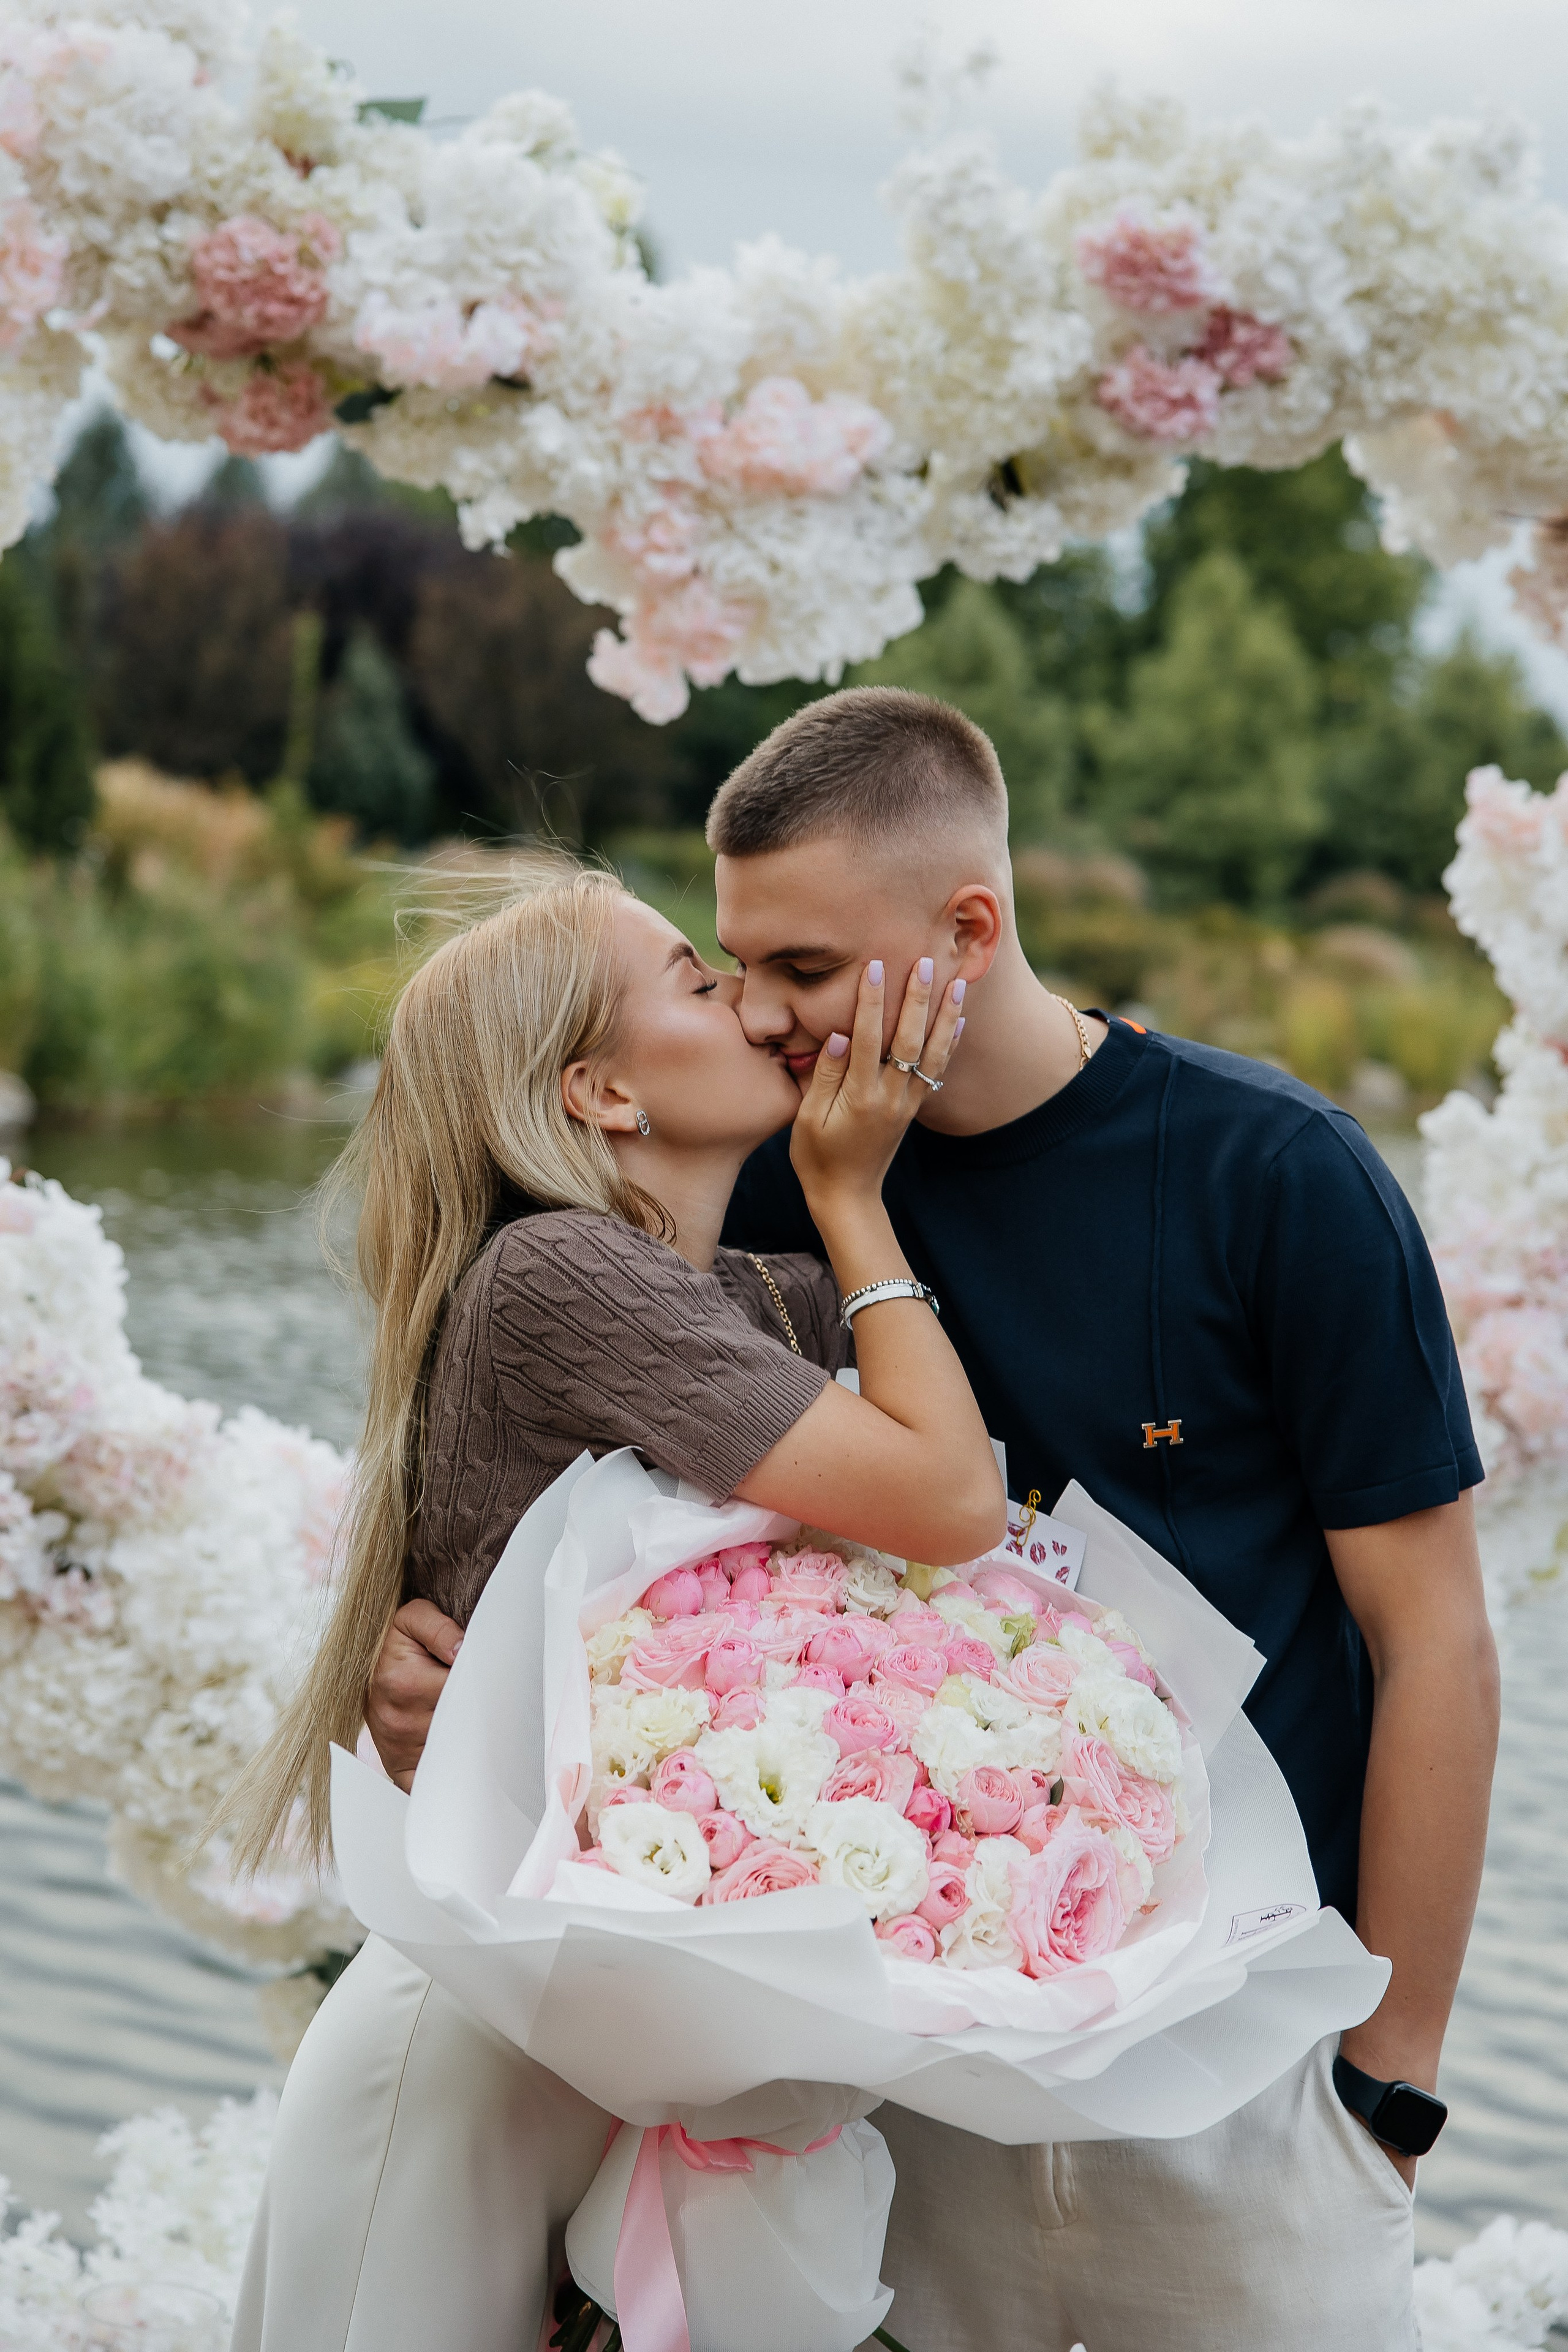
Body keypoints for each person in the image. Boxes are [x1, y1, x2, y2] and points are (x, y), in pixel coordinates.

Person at [371, 690, 1501, 2352]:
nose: (760, 1015)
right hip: (879, 2119)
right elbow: (578, 1548)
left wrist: (1388, 2090)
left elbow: (1439, 1645)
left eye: (807, 972)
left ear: (966, 928)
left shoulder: (1279, 1177)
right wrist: (443, 1689)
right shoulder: (748, 1187)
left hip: (1242, 2091)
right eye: (736, 964)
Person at [221, 862, 1002, 2352]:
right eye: (695, 981)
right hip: (473, 2073)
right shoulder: (557, 1275)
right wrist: (850, 1191)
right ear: (600, 1091)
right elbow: (950, 1500)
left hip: (615, 2051)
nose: (746, 1002)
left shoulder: (755, 1301)